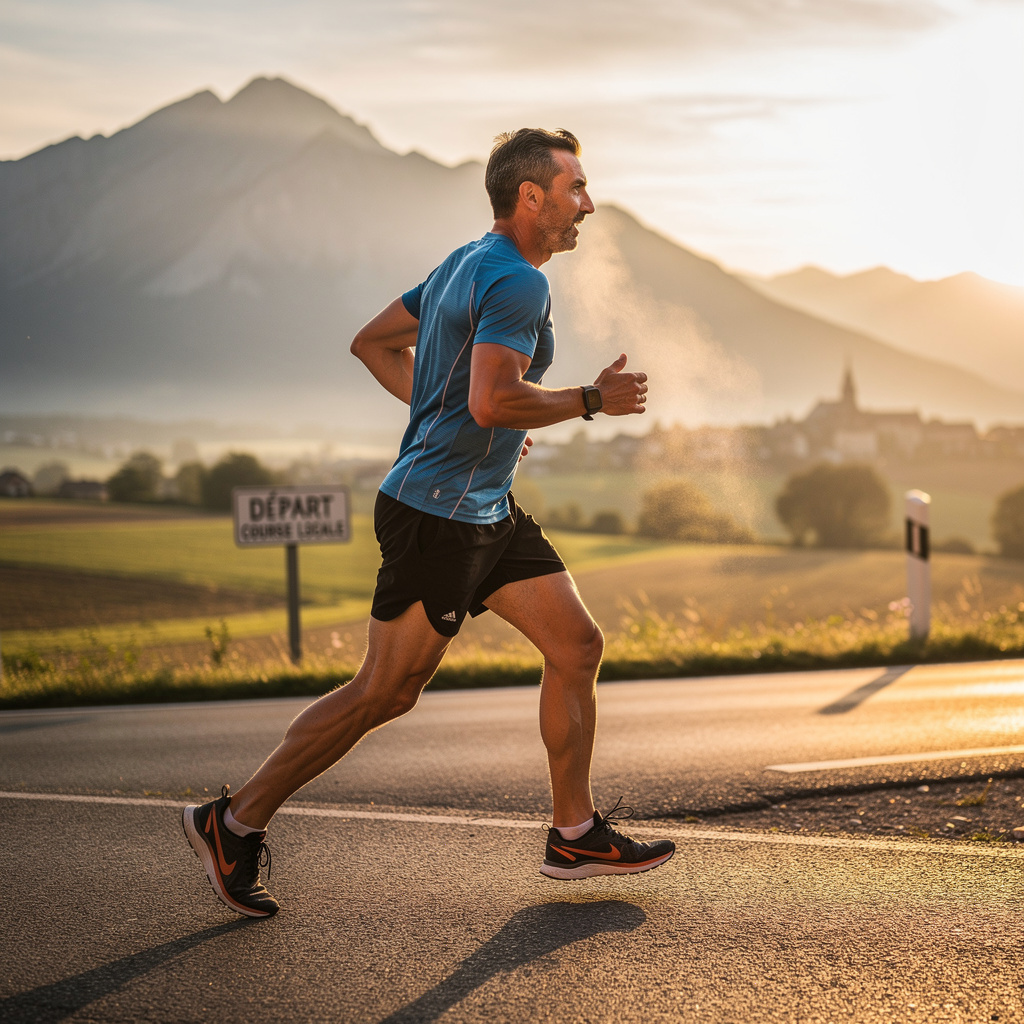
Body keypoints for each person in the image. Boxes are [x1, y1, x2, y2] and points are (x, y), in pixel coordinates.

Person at [182, 128, 675, 918]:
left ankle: (574, 832)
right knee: (385, 691)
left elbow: (372, 344)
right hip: (438, 518)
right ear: (531, 198)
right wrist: (587, 401)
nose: (587, 203)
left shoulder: (464, 262)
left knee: (577, 645)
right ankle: (232, 823)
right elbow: (491, 400)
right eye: (575, 188)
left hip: (485, 509)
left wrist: (444, 420)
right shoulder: (517, 281)